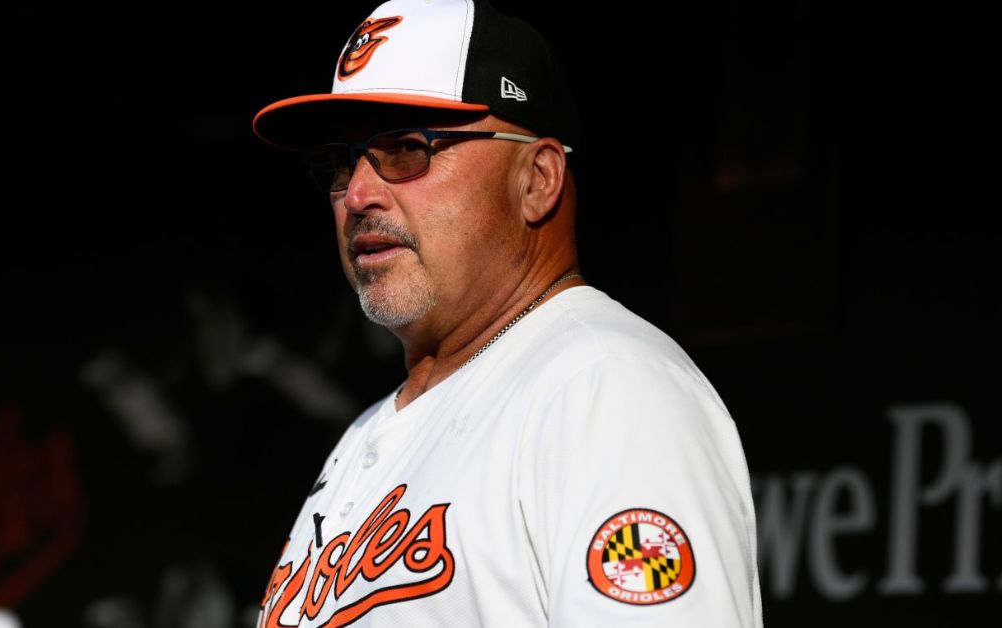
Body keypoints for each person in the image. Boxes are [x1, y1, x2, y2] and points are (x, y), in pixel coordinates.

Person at [250, 1, 762, 626]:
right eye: (341, 161)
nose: (357, 194)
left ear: (537, 179)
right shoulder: (363, 434)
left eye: (407, 148)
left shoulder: (605, 387)